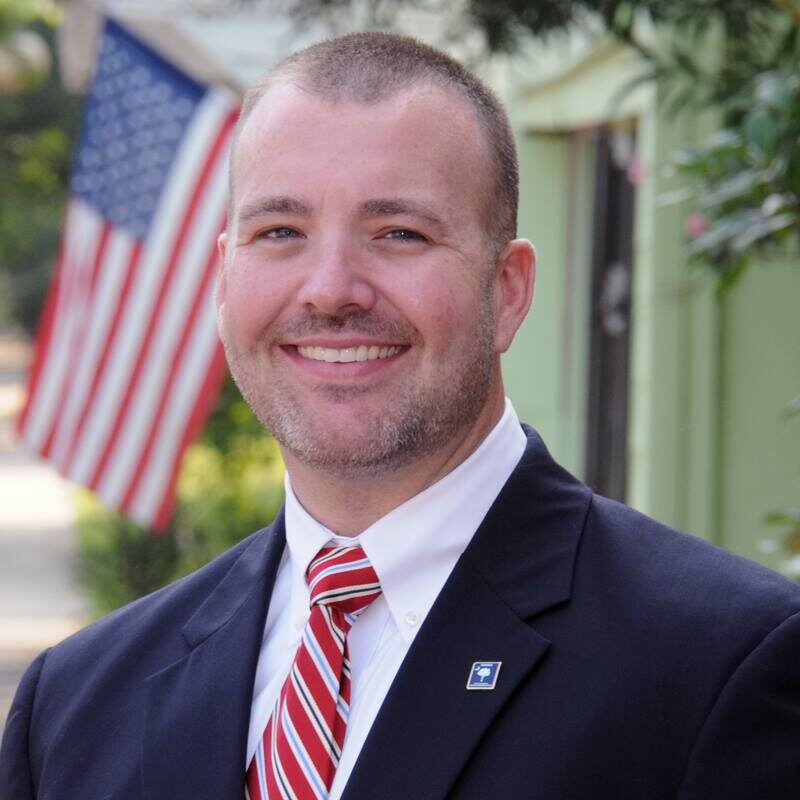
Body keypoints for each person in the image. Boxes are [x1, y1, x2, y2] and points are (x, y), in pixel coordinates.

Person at [2, 31, 799, 800]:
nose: (330, 289)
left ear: (507, 290)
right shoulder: (71, 708)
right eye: (280, 231)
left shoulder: (722, 666)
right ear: (222, 280)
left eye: (399, 233)